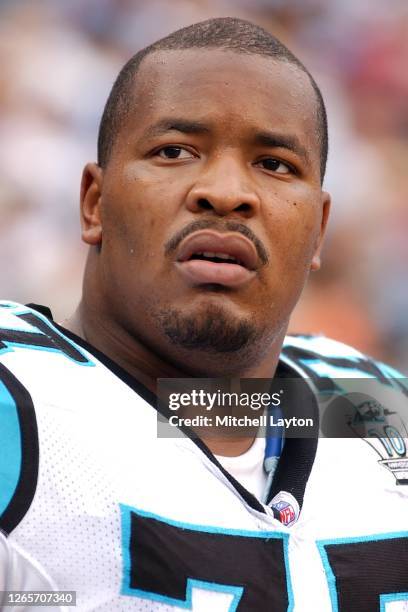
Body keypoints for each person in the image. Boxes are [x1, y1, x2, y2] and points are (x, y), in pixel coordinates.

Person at [0, 17, 407, 611]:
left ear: (318, 231)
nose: (224, 191)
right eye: (175, 151)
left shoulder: (380, 410)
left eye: (274, 164)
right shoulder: (17, 403)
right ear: (94, 204)